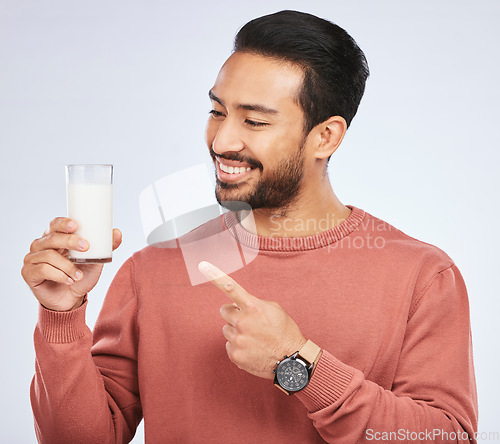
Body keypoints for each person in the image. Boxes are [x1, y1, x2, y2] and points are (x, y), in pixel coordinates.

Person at [22, 10, 478, 443]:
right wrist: (62, 316)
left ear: (326, 137)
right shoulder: (152, 270)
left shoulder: (421, 276)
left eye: (254, 121)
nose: (222, 141)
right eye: (217, 111)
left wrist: (298, 365)